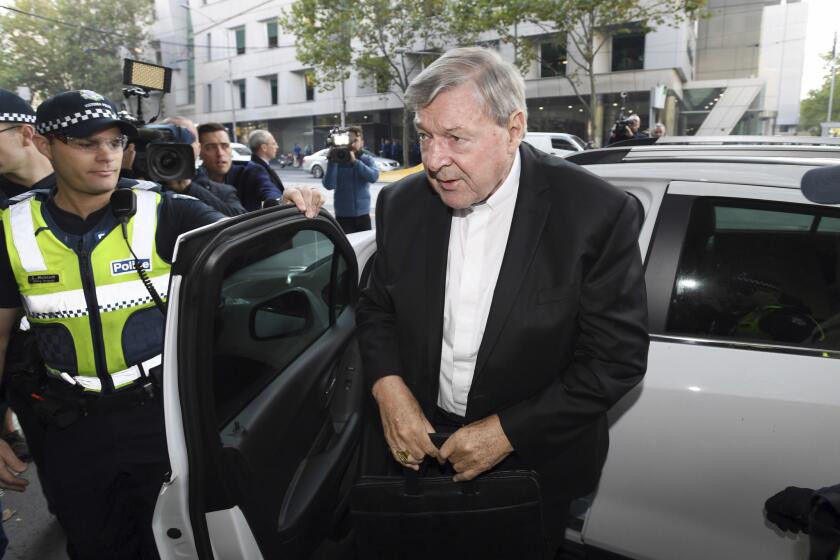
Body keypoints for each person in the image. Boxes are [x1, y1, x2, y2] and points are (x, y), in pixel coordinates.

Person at [0, 90, 325, 560]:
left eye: (114, 142)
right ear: (42, 143)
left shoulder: (167, 211)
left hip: (160, 420)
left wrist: (291, 206)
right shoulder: (11, 228)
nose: (106, 155)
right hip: (69, 430)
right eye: (86, 142)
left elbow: (256, 245)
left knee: (177, 544)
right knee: (94, 545)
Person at [355, 47, 649, 558]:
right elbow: (377, 308)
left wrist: (507, 433)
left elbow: (615, 360)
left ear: (514, 129)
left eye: (455, 138)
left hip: (532, 466)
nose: (432, 160)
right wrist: (388, 388)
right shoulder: (400, 204)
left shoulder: (595, 212)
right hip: (421, 453)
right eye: (425, 135)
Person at [160, 117, 246, 217]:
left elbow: (240, 220)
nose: (220, 153)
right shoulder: (142, 182)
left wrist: (189, 188)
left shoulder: (222, 191)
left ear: (198, 148)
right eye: (169, 140)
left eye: (185, 140)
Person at [197, 123, 283, 211]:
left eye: (225, 146)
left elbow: (268, 189)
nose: (220, 153)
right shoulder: (193, 182)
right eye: (211, 147)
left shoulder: (249, 171)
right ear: (198, 151)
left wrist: (277, 201)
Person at [321, 126, 379, 233]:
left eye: (355, 140)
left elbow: (374, 177)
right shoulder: (337, 160)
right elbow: (329, 185)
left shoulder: (366, 159)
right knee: (346, 248)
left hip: (363, 215)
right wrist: (332, 162)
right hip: (343, 216)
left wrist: (355, 162)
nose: (352, 143)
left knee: (364, 247)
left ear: (362, 142)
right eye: (349, 140)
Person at [248, 129, 286, 194]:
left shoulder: (259, 167)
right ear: (264, 148)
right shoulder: (258, 171)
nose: (277, 147)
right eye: (274, 144)